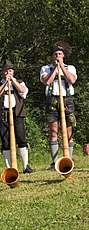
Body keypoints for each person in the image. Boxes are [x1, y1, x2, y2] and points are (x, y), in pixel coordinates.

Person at [0, 60, 34, 173]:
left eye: (9, 71)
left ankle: (25, 166)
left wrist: (13, 82)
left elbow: (23, 92)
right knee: (6, 142)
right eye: (5, 71)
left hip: (17, 114)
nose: (7, 73)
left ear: (13, 72)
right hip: (2, 115)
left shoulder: (20, 82)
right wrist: (5, 84)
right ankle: (10, 168)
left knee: (21, 139)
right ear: (2, 73)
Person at [40, 41, 77, 170]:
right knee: (53, 131)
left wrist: (62, 67)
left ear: (63, 56)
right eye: (55, 54)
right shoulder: (45, 68)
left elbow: (72, 80)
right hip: (52, 99)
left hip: (67, 99)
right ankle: (55, 162)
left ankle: (68, 160)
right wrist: (55, 69)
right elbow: (47, 81)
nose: (57, 56)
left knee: (68, 130)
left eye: (60, 54)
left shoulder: (70, 68)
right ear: (52, 56)